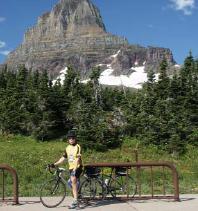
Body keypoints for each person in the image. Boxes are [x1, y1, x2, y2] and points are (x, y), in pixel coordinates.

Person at [51, 130, 83, 209]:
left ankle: (75, 201)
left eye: (72, 138)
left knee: (73, 180)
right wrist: (54, 164)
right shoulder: (67, 148)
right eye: (69, 138)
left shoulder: (78, 146)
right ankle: (78, 195)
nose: (71, 139)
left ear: (75, 138)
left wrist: (75, 169)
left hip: (78, 167)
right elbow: (63, 158)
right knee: (70, 183)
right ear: (68, 139)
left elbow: (78, 159)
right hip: (71, 168)